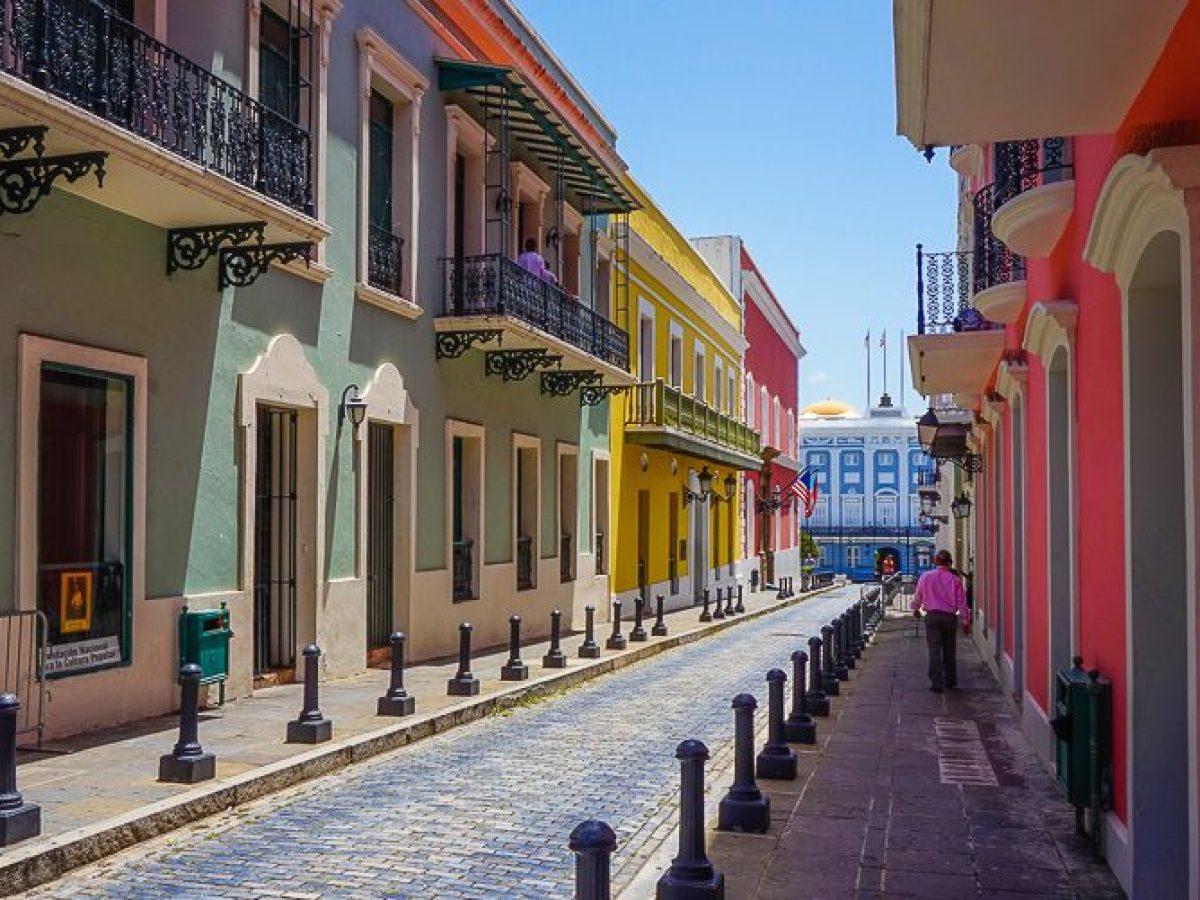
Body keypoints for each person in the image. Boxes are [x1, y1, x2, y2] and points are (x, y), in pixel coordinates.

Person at [912, 549, 970, 692]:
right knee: (949, 649)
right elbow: (962, 602)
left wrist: (915, 609)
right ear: (949, 562)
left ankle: (937, 682)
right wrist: (966, 621)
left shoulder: (925, 577)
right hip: (949, 618)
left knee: (934, 650)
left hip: (932, 617)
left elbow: (918, 595)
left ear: (936, 561)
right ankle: (950, 680)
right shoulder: (954, 580)